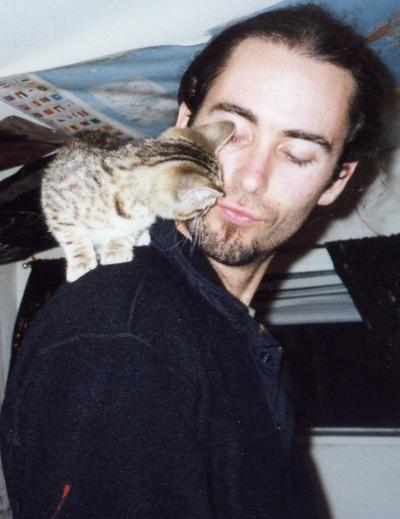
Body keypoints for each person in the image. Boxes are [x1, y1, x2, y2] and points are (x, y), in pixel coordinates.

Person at [0, 4, 388, 518]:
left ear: (336, 181)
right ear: (184, 124)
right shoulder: (122, 334)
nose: (250, 178)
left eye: (296, 154)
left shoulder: (236, 334)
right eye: (231, 131)